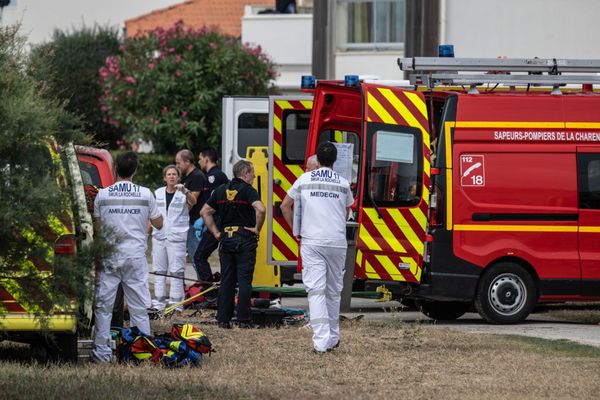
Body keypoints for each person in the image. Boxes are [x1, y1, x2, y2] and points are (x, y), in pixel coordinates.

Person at [280, 142, 354, 353]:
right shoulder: (343, 182)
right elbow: (349, 209)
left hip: (312, 241)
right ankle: (333, 337)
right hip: (337, 242)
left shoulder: (304, 179)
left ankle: (322, 342)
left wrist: (296, 230)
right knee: (333, 291)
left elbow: (285, 205)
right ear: (334, 161)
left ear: (318, 160)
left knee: (316, 291)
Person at [92, 151, 163, 363]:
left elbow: (98, 228)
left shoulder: (102, 195)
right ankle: (142, 352)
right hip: (134, 257)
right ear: (135, 170)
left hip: (110, 256)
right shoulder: (145, 194)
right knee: (139, 308)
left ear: (115, 170)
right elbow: (159, 223)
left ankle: (102, 354)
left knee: (104, 307)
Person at [200, 160, 266, 329]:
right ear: (245, 174)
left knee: (227, 280)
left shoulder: (220, 190)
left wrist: (215, 233)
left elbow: (204, 211)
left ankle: (223, 319)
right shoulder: (248, 191)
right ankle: (244, 320)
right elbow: (261, 209)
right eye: (252, 173)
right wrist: (257, 228)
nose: (253, 176)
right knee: (244, 281)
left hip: (226, 239)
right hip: (245, 238)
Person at [151, 165, 196, 312]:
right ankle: (159, 304)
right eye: (168, 174)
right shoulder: (157, 193)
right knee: (159, 271)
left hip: (176, 238)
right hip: (159, 237)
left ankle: (176, 305)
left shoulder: (183, 194)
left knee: (177, 271)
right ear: (165, 178)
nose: (171, 176)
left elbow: (193, 202)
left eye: (174, 174)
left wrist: (185, 190)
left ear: (178, 177)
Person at [193, 147, 229, 282]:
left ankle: (209, 291)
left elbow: (217, 202)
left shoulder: (214, 177)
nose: (199, 161)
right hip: (216, 221)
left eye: (200, 158)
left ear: (206, 159)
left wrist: (204, 219)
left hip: (217, 222)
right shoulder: (217, 175)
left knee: (199, 256)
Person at [175, 149, 206, 273]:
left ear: (187, 162)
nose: (177, 166)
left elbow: (192, 201)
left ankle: (203, 286)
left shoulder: (197, 176)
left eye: (178, 163)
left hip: (194, 223)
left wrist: (176, 216)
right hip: (186, 223)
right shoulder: (186, 177)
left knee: (196, 258)